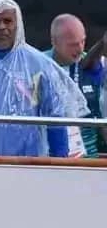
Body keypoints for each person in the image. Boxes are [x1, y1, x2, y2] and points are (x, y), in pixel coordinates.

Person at [0, 0, 88, 158]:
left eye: (8, 21)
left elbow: (55, 117)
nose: (2, 26)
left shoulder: (37, 64)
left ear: (18, 24)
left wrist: (61, 161)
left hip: (25, 163)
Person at [45, 14, 107, 157]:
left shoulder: (98, 66)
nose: (80, 49)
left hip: (89, 162)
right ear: (54, 42)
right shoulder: (38, 67)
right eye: (73, 44)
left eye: (83, 41)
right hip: (49, 162)